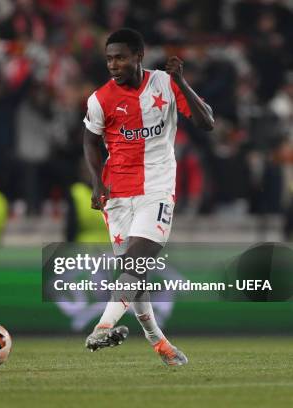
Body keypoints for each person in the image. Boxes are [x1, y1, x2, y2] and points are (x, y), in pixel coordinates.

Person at [82, 28, 214, 366]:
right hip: (117, 196)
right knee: (132, 272)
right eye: (110, 58)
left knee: (136, 263)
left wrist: (181, 82)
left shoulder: (165, 85)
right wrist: (97, 183)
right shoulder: (100, 99)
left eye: (121, 57)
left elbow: (206, 122)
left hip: (156, 189)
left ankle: (102, 326)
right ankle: (159, 342)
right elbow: (89, 141)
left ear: (139, 57)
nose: (114, 64)